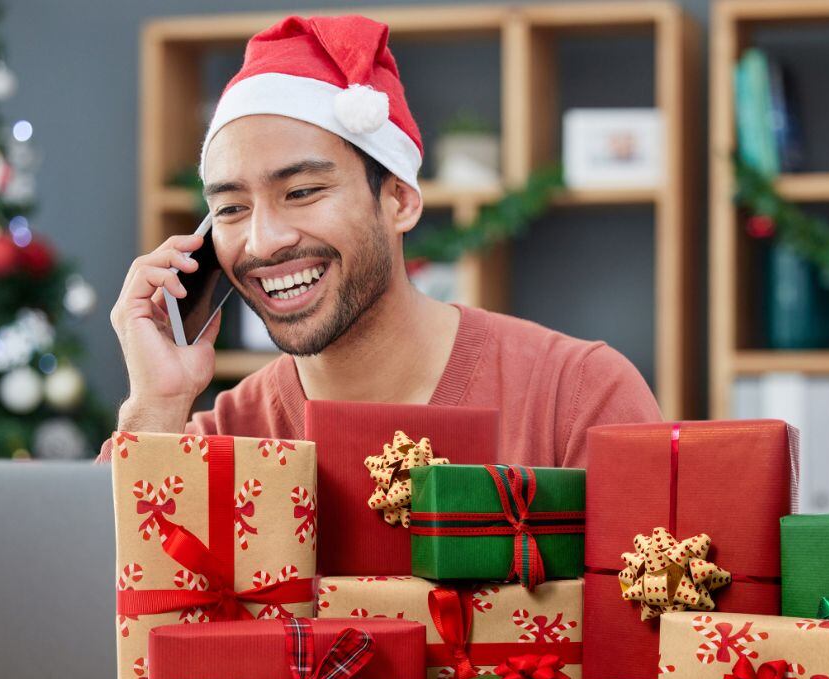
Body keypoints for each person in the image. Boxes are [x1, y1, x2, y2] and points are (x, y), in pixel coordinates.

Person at [98, 13, 659, 468]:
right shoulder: (209, 439)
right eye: (230, 208)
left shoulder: (580, 398)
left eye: (302, 192)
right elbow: (96, 600)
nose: (262, 242)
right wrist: (156, 405)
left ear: (399, 199)